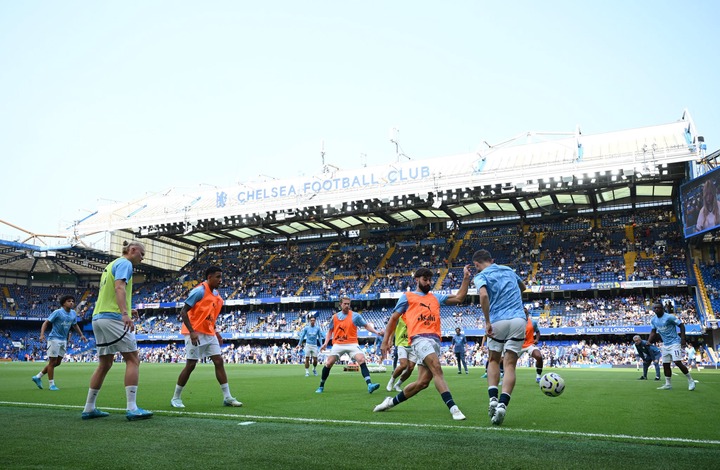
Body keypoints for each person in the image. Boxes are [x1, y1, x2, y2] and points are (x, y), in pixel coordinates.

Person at [373, 265, 471, 421]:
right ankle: (454, 408)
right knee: (437, 368)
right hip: (419, 339)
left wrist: (466, 279)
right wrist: (385, 341)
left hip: (434, 340)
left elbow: (459, 297)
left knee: (423, 383)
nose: (428, 282)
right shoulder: (407, 296)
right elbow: (393, 318)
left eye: (430, 280)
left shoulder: (435, 297)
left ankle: (390, 402)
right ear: (416, 280)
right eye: (425, 279)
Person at [81, 241, 153, 421]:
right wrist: (124, 313)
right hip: (113, 317)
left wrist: (129, 308)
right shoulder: (126, 264)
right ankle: (132, 408)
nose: (142, 258)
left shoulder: (111, 265)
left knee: (104, 364)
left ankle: (89, 408)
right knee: (133, 360)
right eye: (142, 254)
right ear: (133, 250)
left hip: (98, 317)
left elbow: (112, 292)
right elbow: (119, 287)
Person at [171, 266, 242, 408]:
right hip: (194, 333)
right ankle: (176, 398)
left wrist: (216, 332)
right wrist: (191, 332)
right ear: (209, 277)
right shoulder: (199, 291)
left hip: (209, 333)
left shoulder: (218, 297)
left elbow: (210, 318)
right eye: (217, 277)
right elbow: (183, 312)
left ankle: (227, 397)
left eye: (221, 277)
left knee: (219, 361)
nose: (220, 280)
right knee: (191, 365)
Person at [472, 249, 526, 426]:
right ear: (491, 259)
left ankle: (493, 399)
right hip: (518, 319)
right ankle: (503, 404)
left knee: (494, 360)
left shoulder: (481, 276)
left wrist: (487, 321)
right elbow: (523, 287)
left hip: (497, 320)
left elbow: (484, 295)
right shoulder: (509, 270)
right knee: (510, 364)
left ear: (477, 264)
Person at [315, 296, 384, 394]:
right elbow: (330, 331)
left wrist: (376, 332)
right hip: (338, 344)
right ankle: (321, 386)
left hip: (352, 343)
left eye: (348, 304)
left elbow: (366, 325)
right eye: (345, 304)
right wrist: (325, 343)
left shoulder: (355, 316)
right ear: (340, 304)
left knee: (361, 359)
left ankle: (369, 385)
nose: (347, 305)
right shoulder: (334, 317)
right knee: (329, 363)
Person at [32, 295, 87, 390]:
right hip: (54, 339)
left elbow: (75, 325)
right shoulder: (57, 312)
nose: (71, 303)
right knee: (52, 362)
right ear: (63, 303)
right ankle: (51, 384)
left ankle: (38, 377)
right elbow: (46, 322)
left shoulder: (73, 313)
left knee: (57, 363)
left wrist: (81, 335)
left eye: (73, 301)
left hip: (63, 340)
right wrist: (42, 334)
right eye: (69, 301)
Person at [648, 302, 696, 391]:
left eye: (658, 308)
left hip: (675, 342)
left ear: (662, 308)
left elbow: (681, 325)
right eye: (655, 308)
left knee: (677, 362)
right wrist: (649, 341)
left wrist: (683, 339)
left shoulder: (669, 317)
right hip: (665, 345)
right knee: (665, 364)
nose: (656, 309)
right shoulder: (653, 320)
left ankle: (691, 380)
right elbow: (653, 331)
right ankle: (668, 384)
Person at [385, 316, 416, 392]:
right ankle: (392, 380)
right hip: (401, 343)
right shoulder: (400, 315)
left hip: (414, 344)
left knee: (411, 368)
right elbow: (393, 328)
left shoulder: (417, 315)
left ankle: (398, 384)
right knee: (403, 365)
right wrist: (391, 340)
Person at [519, 308, 544, 383]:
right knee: (504, 360)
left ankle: (538, 377)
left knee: (539, 357)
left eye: (526, 313)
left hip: (530, 344)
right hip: (518, 345)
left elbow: (538, 332)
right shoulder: (516, 322)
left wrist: (536, 339)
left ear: (527, 314)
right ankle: (503, 376)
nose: (524, 314)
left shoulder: (533, 322)